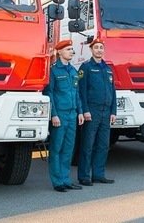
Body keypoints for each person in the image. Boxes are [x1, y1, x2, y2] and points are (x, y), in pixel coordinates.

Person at [43, 40, 84, 192]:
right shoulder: (54, 71)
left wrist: (80, 111)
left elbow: (77, 93)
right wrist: (53, 115)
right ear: (59, 52)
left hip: (72, 115)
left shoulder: (73, 71)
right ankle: (57, 181)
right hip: (60, 115)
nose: (71, 52)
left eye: (72, 49)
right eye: (68, 49)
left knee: (68, 148)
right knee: (57, 148)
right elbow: (50, 93)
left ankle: (66, 179)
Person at [77, 38, 117, 186]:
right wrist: (85, 110)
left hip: (106, 112)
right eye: (96, 47)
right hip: (92, 111)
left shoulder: (107, 69)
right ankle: (84, 176)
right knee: (88, 145)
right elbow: (82, 91)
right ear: (91, 49)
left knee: (103, 145)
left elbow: (113, 91)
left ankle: (99, 174)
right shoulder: (86, 67)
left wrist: (113, 111)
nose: (99, 50)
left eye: (101, 48)